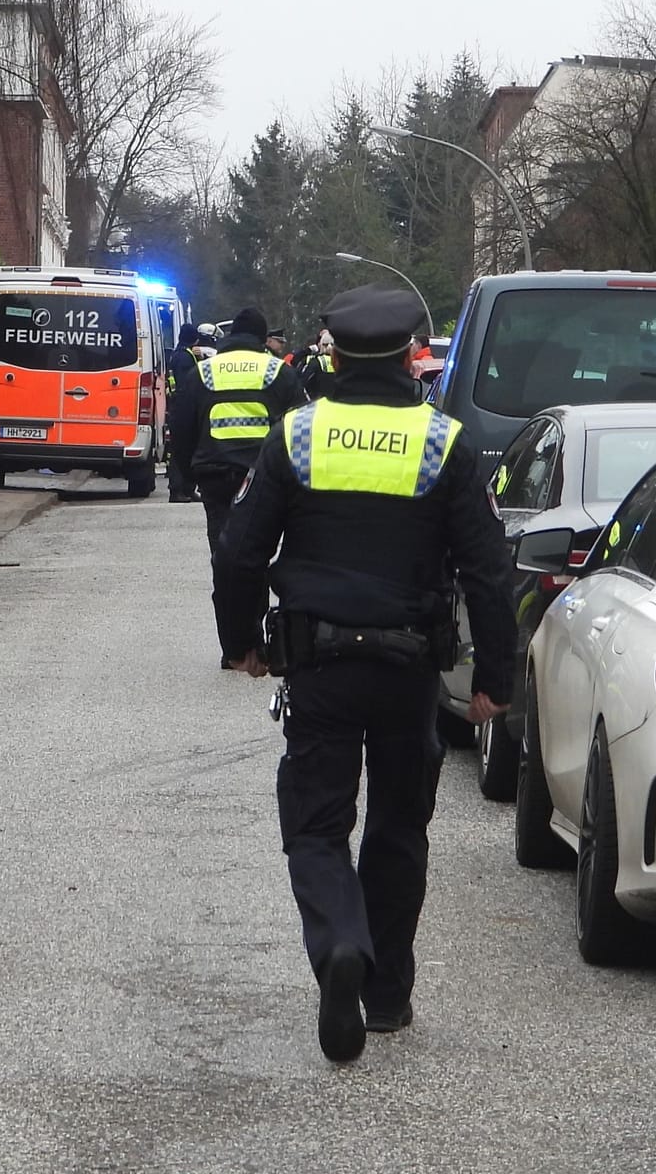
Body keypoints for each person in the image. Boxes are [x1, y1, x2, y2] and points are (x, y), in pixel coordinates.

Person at [210, 285, 514, 1063]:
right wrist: (496, 680)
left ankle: (341, 942)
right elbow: (488, 570)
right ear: (413, 357)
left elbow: (242, 551)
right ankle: (386, 997)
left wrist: (242, 641)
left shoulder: (297, 436)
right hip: (410, 666)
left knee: (316, 823)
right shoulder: (445, 443)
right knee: (398, 827)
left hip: (320, 663)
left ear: (333, 355)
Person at [188, 305, 303, 554]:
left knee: (221, 546)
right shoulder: (280, 371)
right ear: (264, 339)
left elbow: (182, 425)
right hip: (263, 475)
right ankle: (254, 589)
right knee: (256, 548)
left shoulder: (201, 371)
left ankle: (225, 588)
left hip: (213, 472)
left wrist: (188, 475)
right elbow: (300, 424)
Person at [164, 320, 204, 503]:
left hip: (177, 406)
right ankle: (178, 490)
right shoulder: (185, 357)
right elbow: (191, 383)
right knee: (181, 450)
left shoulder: (178, 354)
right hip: (183, 408)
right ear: (194, 339)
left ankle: (187, 489)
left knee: (186, 449)